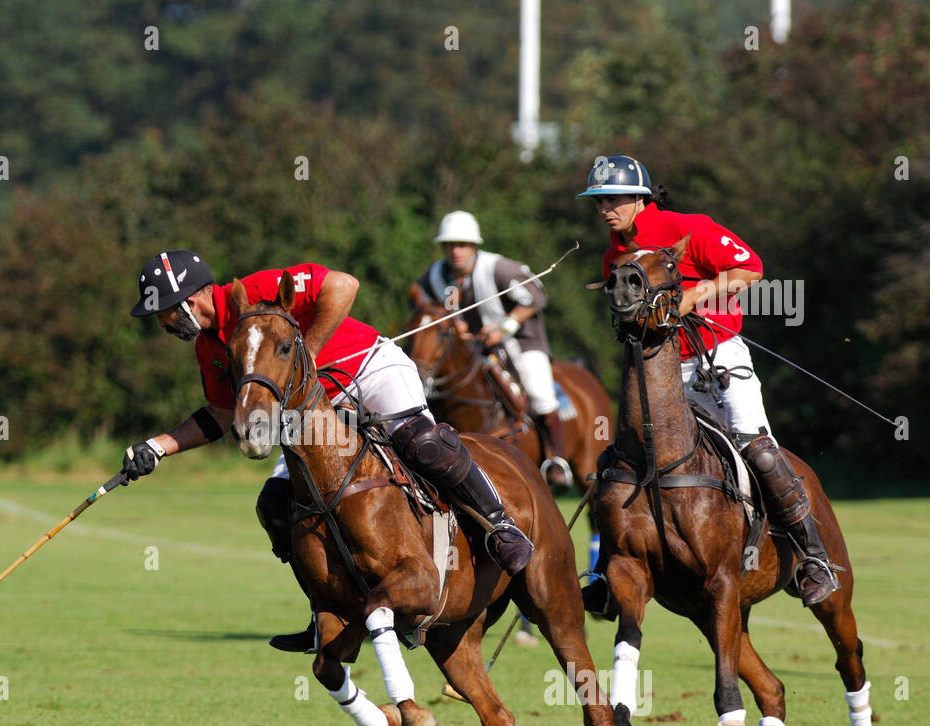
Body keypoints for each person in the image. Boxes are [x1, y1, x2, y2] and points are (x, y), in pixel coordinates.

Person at [123, 250, 536, 656]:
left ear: (189, 300)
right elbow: (219, 412)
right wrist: (158, 446)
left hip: (368, 369)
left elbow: (343, 285)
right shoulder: (209, 348)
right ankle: (328, 608)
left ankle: (501, 529)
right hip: (317, 411)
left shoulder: (259, 289)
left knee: (424, 446)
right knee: (275, 505)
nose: (162, 323)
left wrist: (309, 355)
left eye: (163, 313)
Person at [577, 155, 838, 606]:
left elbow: (750, 269)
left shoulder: (690, 228)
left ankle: (811, 555)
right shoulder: (612, 257)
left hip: (716, 355)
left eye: (613, 198)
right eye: (598, 200)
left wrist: (697, 292)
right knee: (621, 460)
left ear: (641, 199)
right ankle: (605, 574)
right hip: (660, 371)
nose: (605, 208)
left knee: (757, 448)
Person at [413, 210, 574, 490]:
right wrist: (454, 324)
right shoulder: (435, 276)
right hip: (472, 349)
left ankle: (555, 459)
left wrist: (505, 325)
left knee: (539, 392)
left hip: (519, 341)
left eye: (462, 244)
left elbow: (537, 296)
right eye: (449, 245)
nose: (456, 251)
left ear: (475, 246)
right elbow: (422, 302)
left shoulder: (500, 268)